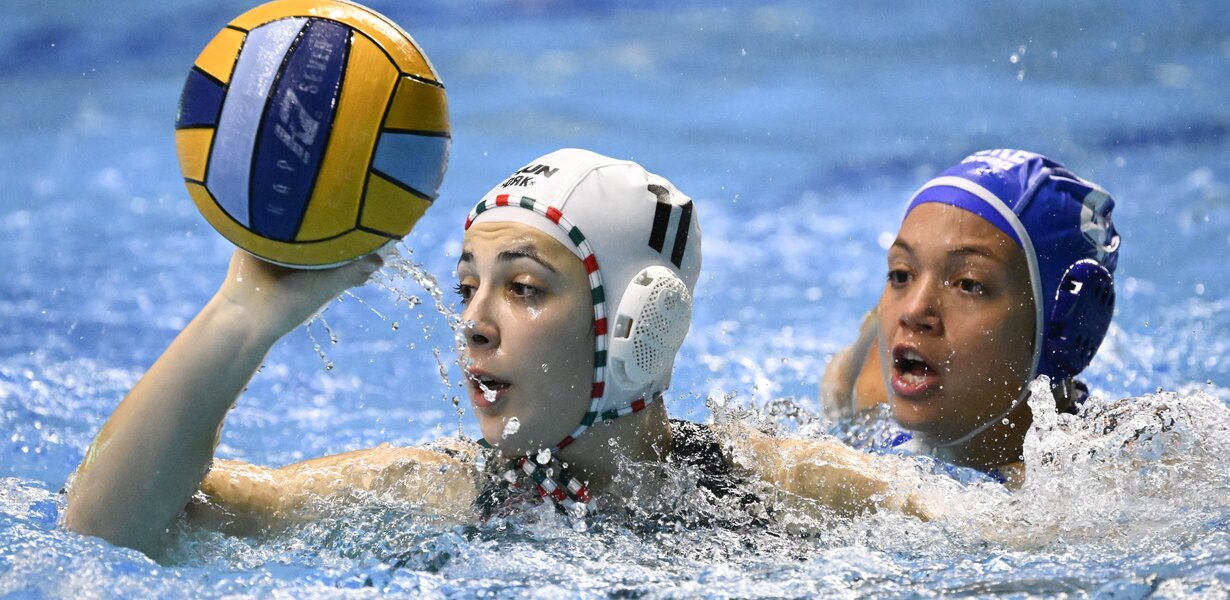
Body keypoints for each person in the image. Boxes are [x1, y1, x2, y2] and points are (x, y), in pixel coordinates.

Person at [65, 148, 936, 558]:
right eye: (466, 287)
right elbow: (109, 529)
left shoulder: (789, 490)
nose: (474, 325)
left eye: (523, 288)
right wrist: (241, 317)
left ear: (639, 323)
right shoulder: (429, 493)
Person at [815, 149, 1121, 484]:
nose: (912, 312)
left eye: (969, 284)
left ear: (1062, 330)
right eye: (901, 275)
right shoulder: (868, 383)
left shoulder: (1096, 482)